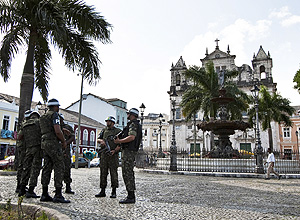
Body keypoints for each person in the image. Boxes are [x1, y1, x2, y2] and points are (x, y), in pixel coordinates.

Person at [39, 99, 70, 203]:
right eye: (58, 107)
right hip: (53, 143)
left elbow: (48, 128)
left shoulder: (43, 117)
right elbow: (57, 131)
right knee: (59, 166)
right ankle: (58, 194)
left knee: (46, 167)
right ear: (55, 107)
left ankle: (44, 193)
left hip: (44, 143)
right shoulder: (55, 115)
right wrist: (64, 141)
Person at [114, 108, 142, 204]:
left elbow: (132, 137)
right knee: (127, 172)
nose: (127, 115)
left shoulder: (133, 124)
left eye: (129, 114)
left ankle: (131, 196)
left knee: (127, 173)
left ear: (132, 115)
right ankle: (130, 195)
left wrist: (119, 141)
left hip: (129, 152)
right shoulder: (133, 124)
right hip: (128, 150)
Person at [95, 116, 122, 198]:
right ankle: (102, 190)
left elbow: (121, 144)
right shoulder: (104, 130)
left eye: (109, 121)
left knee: (113, 173)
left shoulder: (118, 131)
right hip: (104, 155)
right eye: (107, 121)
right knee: (103, 173)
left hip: (113, 155)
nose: (107, 123)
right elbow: (98, 139)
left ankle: (114, 191)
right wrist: (102, 141)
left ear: (112, 122)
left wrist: (115, 150)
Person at [18, 111, 42, 198]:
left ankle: (22, 189)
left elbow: (19, 137)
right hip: (37, 148)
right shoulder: (39, 122)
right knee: (35, 169)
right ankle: (31, 190)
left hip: (28, 148)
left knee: (26, 168)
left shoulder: (24, 124)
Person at [15, 110, 31, 193]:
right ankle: (19, 186)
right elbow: (20, 136)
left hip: (24, 147)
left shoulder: (24, 124)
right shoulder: (25, 124)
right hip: (23, 148)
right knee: (22, 167)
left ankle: (21, 185)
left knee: (23, 167)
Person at [59, 113, 75, 194]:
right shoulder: (54, 127)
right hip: (57, 151)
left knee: (67, 169)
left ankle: (68, 186)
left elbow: (72, 137)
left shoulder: (68, 127)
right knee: (58, 170)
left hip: (66, 151)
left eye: (60, 118)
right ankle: (58, 186)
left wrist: (66, 143)